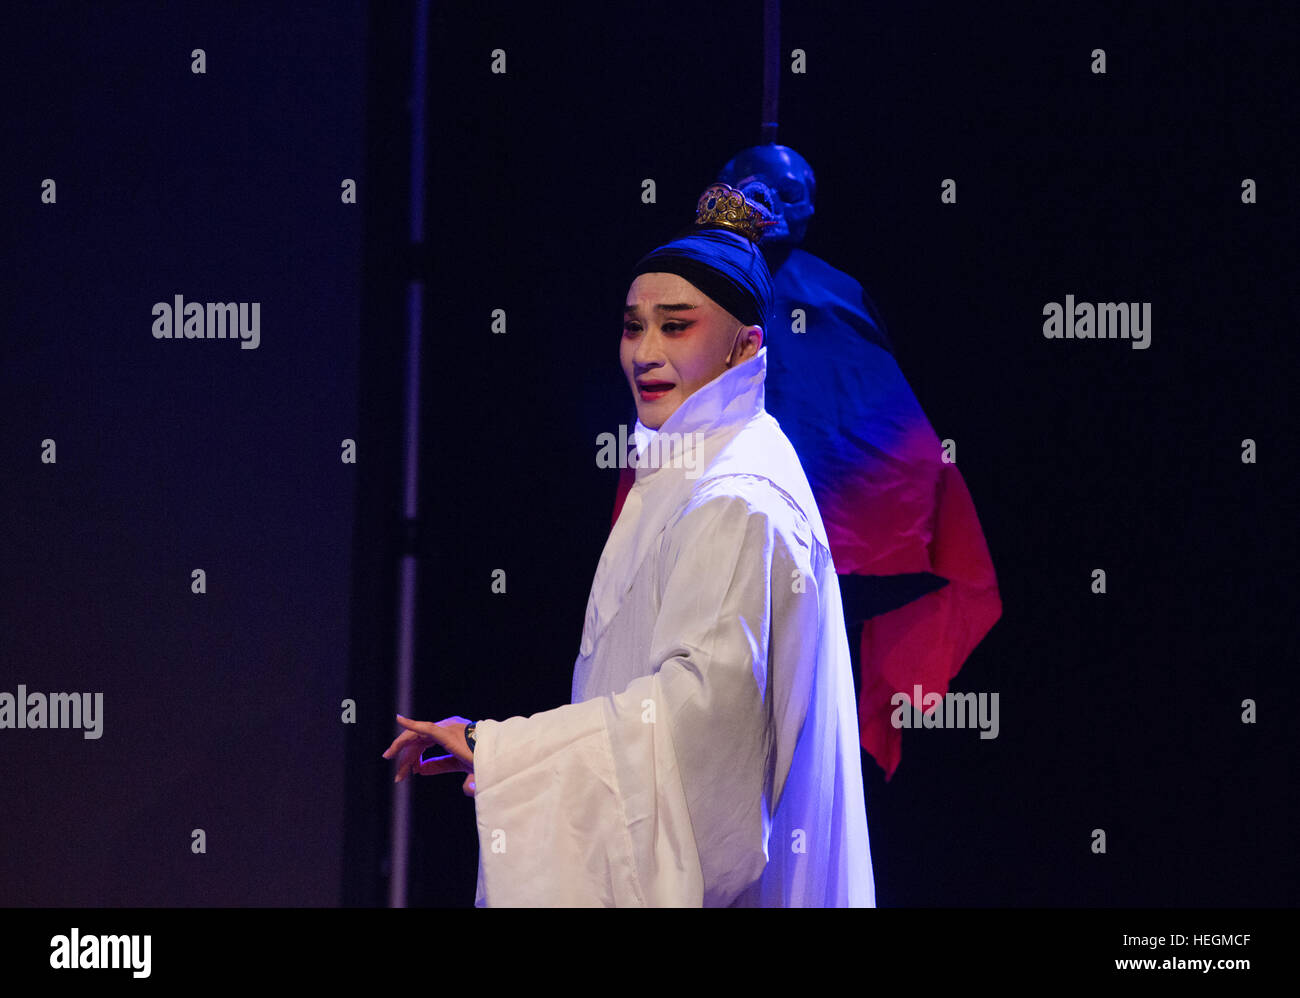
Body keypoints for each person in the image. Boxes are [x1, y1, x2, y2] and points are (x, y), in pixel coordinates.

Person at [383, 182, 875, 907]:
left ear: (746, 345)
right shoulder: (688, 467)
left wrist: (504, 749)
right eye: (632, 325)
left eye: (676, 327)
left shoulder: (737, 497)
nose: (644, 352)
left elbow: (697, 736)